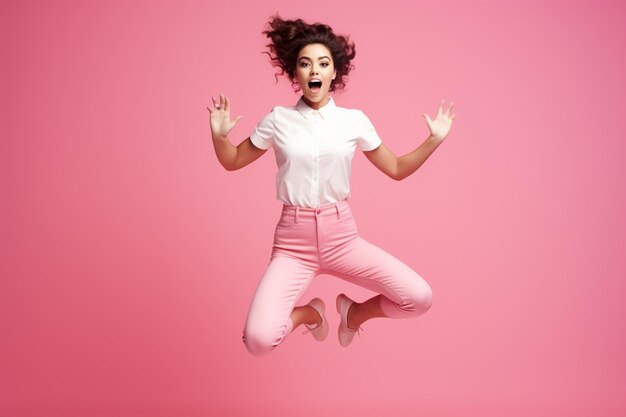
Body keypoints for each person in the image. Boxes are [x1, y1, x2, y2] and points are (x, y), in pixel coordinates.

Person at [207, 15, 455, 356]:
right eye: (305, 64)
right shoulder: (278, 120)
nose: (314, 71)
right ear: (296, 74)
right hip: (293, 244)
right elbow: (233, 160)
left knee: (419, 297)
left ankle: (354, 314)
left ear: (334, 72)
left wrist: (434, 141)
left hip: (342, 236)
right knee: (258, 341)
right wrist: (219, 137)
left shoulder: (353, 121)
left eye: (323, 64)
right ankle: (312, 314)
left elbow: (396, 168)